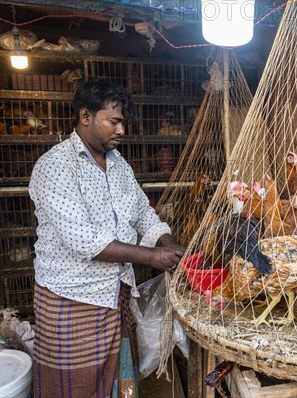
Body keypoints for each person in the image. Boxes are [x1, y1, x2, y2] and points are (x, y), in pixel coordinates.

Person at [29, 78, 186, 398]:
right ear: (86, 117)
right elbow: (85, 240)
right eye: (113, 121)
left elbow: (142, 211)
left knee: (115, 376)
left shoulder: (119, 166)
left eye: (123, 123)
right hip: (72, 296)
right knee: (74, 384)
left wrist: (164, 241)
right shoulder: (56, 166)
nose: (121, 131)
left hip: (115, 294)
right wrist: (153, 258)